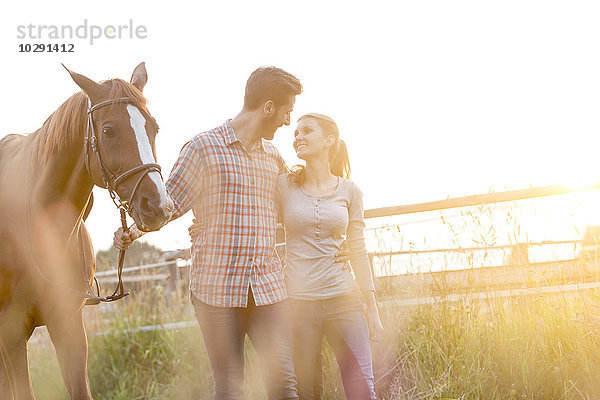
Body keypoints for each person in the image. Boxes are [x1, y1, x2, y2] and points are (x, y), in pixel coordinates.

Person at [114, 66, 303, 400]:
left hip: (268, 288)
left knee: (284, 385)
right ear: (269, 107)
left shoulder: (273, 157)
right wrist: (132, 232)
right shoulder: (203, 148)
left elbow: (297, 203)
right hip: (216, 290)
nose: (288, 122)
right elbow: (167, 205)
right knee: (230, 388)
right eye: (287, 112)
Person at [277, 113, 384, 400]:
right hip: (299, 305)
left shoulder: (351, 192)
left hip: (344, 301)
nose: (298, 136)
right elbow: (257, 219)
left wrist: (371, 308)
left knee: (362, 390)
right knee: (307, 392)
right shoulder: (283, 186)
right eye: (296, 133)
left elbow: (358, 248)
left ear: (329, 140)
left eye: (306, 131)